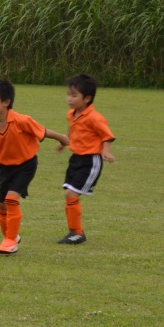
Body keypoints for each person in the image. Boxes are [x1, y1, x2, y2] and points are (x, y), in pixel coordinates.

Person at [0, 78, 70, 255]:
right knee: (2, 205)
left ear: (6, 102)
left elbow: (43, 131)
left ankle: (10, 241)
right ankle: (11, 236)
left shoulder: (21, 120)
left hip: (26, 165)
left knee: (11, 199)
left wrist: (62, 138)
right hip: (5, 168)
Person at [57, 73, 115, 245]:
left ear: (87, 98)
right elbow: (72, 129)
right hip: (75, 159)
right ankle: (74, 232)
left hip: (90, 161)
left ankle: (77, 232)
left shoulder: (95, 118)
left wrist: (105, 151)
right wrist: (65, 141)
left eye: (74, 95)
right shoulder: (71, 114)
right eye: (68, 94)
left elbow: (107, 136)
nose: (69, 99)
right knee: (69, 193)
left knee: (71, 193)